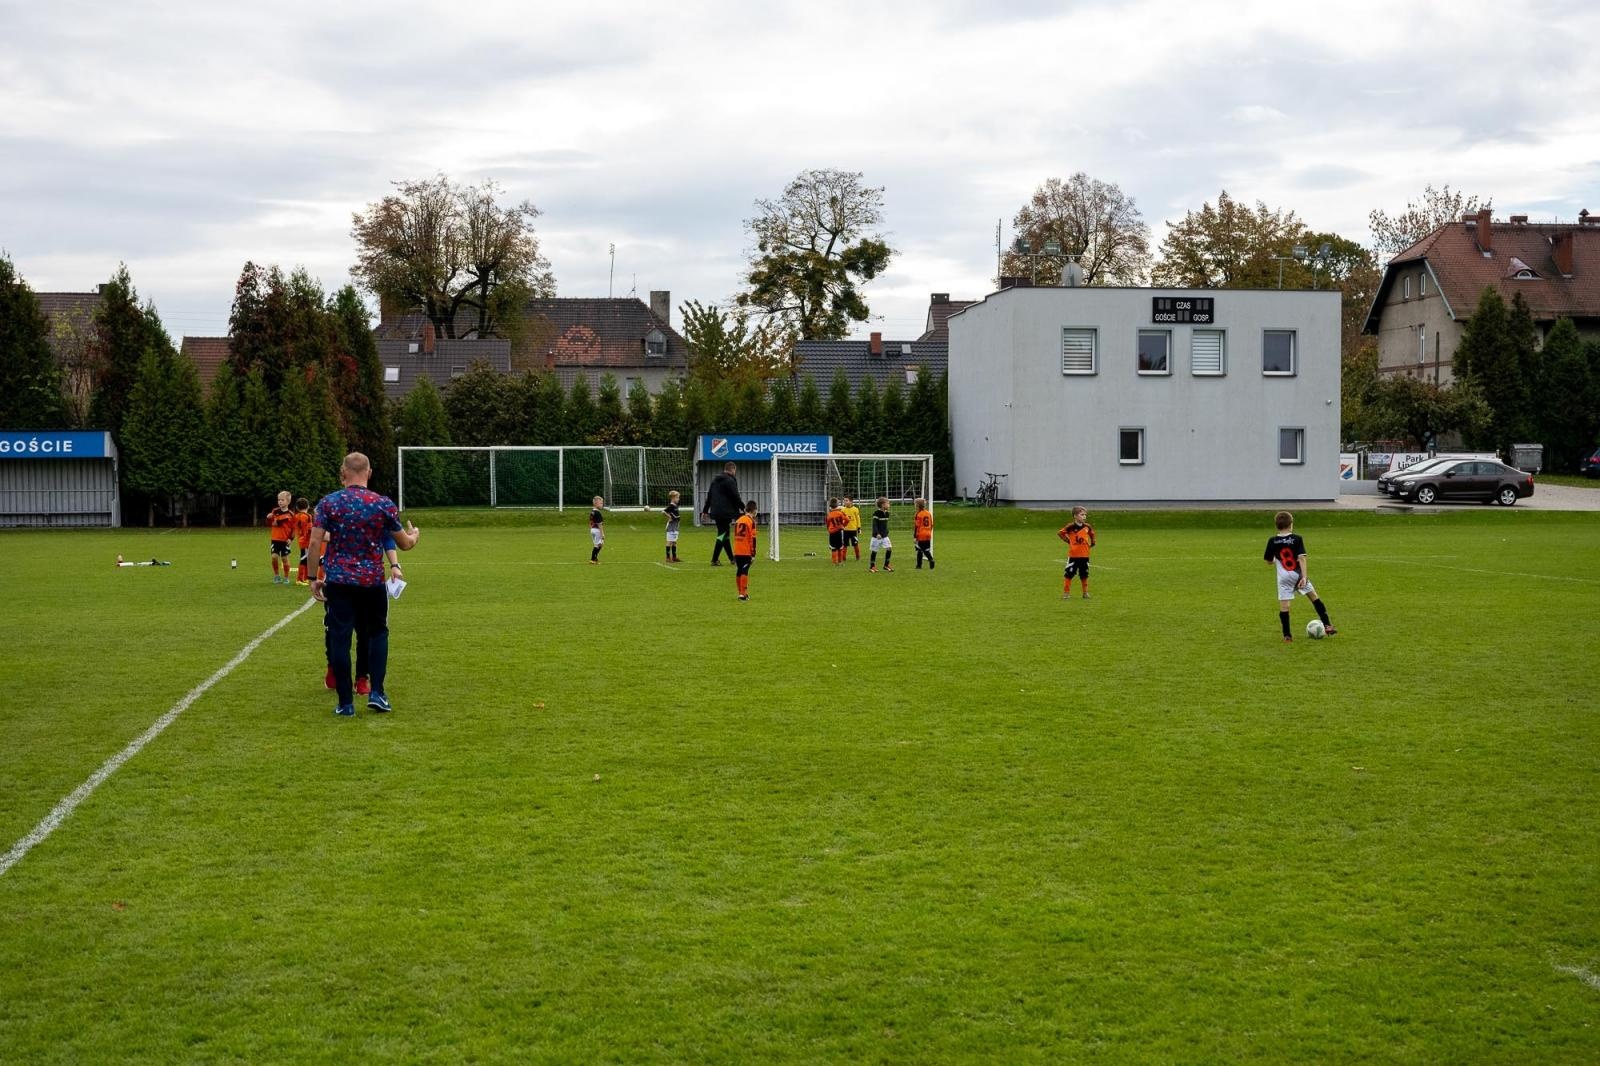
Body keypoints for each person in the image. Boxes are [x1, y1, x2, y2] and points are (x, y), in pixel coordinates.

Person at [309, 452, 419, 716]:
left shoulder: (328, 503)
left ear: (343, 473)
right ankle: (377, 693)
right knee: (377, 633)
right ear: (368, 473)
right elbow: (403, 543)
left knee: (339, 637)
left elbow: (314, 543)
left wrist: (313, 577)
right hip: (371, 581)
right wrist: (415, 535)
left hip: (339, 580)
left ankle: (345, 703)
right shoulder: (382, 504)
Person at [323, 535, 402, 696]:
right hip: (339, 578)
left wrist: (394, 564)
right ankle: (334, 667)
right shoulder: (334, 509)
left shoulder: (379, 510)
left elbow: (388, 536)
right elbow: (319, 534)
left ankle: (361, 677)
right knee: (335, 630)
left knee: (365, 631)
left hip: (367, 580)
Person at [1265, 510, 1337, 642]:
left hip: (1284, 578)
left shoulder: (1272, 541)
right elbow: (1301, 558)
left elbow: (1269, 561)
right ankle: (1327, 625)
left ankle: (1287, 635)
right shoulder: (1297, 539)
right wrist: (1304, 576)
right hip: (1298, 576)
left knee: (1285, 606)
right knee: (1314, 597)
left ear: (1276, 526)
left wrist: (1277, 560)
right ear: (1291, 524)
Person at [701, 461, 743, 566]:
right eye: (735, 471)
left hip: (716, 511)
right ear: (732, 469)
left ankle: (732, 558)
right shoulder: (730, 480)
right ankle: (714, 560)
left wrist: (705, 511)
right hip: (725, 511)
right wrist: (744, 508)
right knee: (722, 535)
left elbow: (709, 495)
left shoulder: (715, 480)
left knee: (725, 535)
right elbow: (735, 496)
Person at [1058, 506, 1096, 599]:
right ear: (1075, 516)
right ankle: (1066, 593)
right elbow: (1060, 533)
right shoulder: (1070, 527)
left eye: (1085, 515)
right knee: (1069, 574)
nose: (1084, 517)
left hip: (1085, 555)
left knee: (1084, 574)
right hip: (1073, 556)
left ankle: (1085, 592)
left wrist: (1093, 542)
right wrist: (1067, 540)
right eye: (1082, 515)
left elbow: (1092, 533)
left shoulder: (1087, 526)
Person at [732, 498, 758, 601]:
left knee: (739, 570)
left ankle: (741, 593)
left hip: (737, 549)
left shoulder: (738, 520)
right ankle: (743, 594)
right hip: (746, 550)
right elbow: (753, 538)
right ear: (754, 510)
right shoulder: (751, 521)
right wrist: (753, 553)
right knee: (744, 570)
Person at [266, 490, 294, 584]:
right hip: (275, 539)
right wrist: (269, 518)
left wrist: (291, 538)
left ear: (288, 501)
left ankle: (286, 577)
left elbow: (293, 528)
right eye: (279, 500)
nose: (280, 502)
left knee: (284, 559)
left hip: (285, 540)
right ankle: (276, 575)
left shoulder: (291, 514)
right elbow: (271, 523)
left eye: (282, 500)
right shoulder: (275, 511)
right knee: (274, 557)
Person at [868, 497, 894, 572]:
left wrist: (886, 532)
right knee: (874, 551)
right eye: (888, 503)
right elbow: (874, 524)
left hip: (885, 536)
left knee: (889, 548)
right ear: (883, 505)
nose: (889, 505)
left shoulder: (887, 513)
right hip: (877, 536)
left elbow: (885, 525)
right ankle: (872, 566)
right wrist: (877, 533)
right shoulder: (876, 513)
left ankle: (886, 565)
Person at [292, 497, 313, 585]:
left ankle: (305, 578)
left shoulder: (296, 516)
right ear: (308, 506)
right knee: (304, 559)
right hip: (306, 541)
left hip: (300, 539)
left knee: (306, 559)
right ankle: (299, 579)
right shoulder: (307, 516)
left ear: (297, 507)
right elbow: (308, 529)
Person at [913, 498, 935, 570]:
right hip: (928, 533)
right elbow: (931, 524)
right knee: (924, 549)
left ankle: (930, 560)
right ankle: (919, 565)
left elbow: (917, 526)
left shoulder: (918, 514)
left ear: (917, 506)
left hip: (921, 534)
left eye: (915, 504)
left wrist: (915, 537)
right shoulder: (928, 513)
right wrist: (929, 531)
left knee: (920, 549)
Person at [825, 497, 848, 565]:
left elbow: (827, 523)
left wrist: (828, 530)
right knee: (840, 547)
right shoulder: (840, 513)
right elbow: (847, 519)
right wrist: (843, 525)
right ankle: (840, 561)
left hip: (832, 533)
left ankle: (834, 562)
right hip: (839, 532)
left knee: (833, 548)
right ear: (837, 504)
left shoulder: (829, 514)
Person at [841, 496, 862, 561]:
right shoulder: (843, 510)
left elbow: (858, 519)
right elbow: (841, 519)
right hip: (845, 530)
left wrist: (859, 528)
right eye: (844, 500)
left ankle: (857, 557)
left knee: (855, 544)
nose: (845, 502)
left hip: (853, 530)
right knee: (845, 545)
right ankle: (843, 558)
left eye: (846, 500)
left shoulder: (855, 509)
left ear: (851, 501)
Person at [663, 490, 681, 563]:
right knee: (669, 541)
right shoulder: (671, 506)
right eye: (677, 497)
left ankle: (674, 557)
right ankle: (668, 558)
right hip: (671, 526)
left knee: (674, 542)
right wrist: (669, 517)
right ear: (673, 498)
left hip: (676, 525)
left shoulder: (675, 506)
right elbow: (663, 512)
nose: (678, 499)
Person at [589, 496, 605, 564]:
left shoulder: (592, 512)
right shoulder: (598, 513)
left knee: (599, 544)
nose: (602, 504)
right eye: (600, 503)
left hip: (592, 529)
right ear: (595, 504)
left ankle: (595, 558)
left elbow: (590, 521)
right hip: (597, 530)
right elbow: (599, 524)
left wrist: (591, 529)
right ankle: (593, 559)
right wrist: (602, 533)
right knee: (598, 544)